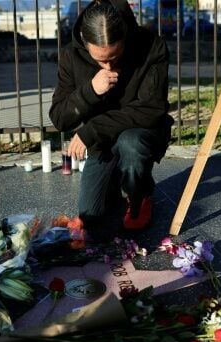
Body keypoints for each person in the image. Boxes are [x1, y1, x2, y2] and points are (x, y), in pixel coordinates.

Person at [49, 0, 173, 231]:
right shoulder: (70, 56)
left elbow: (151, 109)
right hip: (102, 144)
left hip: (140, 133)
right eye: (100, 59)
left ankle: (140, 194)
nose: (108, 66)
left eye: (114, 57)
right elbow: (60, 117)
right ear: (86, 44)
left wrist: (91, 130)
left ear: (125, 38)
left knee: (131, 143)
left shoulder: (152, 46)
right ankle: (117, 181)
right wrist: (90, 91)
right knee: (90, 215)